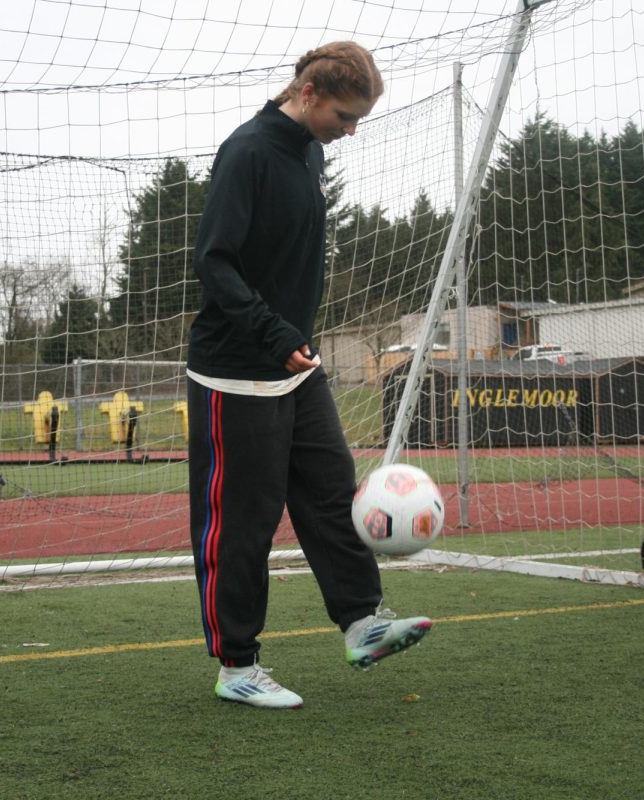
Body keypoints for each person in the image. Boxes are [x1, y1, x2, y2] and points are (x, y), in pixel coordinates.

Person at [186, 40, 433, 710]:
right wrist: (272, 332)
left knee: (331, 498)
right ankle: (237, 665)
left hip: (297, 367)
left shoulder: (309, 152)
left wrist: (292, 340)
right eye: (345, 116)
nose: (350, 131)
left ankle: (363, 624)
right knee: (243, 527)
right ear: (310, 94)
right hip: (236, 377)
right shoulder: (248, 154)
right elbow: (216, 262)